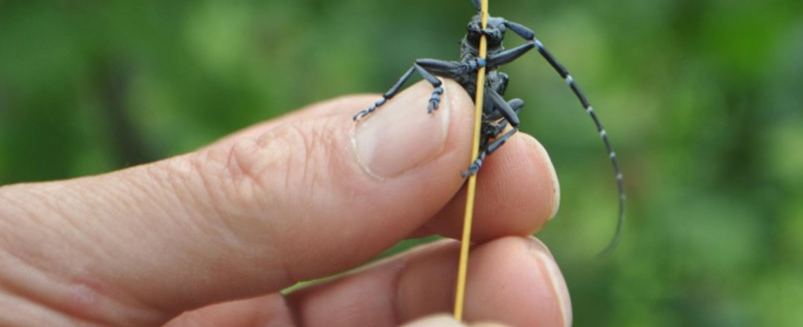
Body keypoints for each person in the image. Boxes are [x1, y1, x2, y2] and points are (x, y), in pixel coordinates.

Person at [0, 81, 571, 326]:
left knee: (510, 126)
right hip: (448, 141)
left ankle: (475, 151)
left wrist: (476, 159)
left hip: (482, 139)